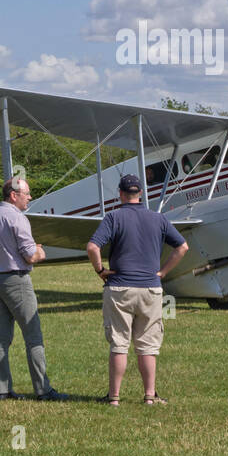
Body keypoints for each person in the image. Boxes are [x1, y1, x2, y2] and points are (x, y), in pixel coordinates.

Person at [85, 174, 189, 406]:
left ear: (121, 194)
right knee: (147, 346)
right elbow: (182, 247)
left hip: (120, 287)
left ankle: (114, 398)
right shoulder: (158, 218)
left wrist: (100, 270)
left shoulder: (113, 217)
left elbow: (92, 246)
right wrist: (162, 273)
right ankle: (150, 397)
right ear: (140, 193)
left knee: (119, 344)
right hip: (150, 289)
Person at [0, 176, 67, 400]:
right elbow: (30, 256)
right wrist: (40, 252)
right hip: (17, 281)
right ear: (13, 195)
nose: (30, 197)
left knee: (1, 337)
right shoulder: (18, 218)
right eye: (26, 193)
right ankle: (43, 390)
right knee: (33, 337)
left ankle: (2, 390)